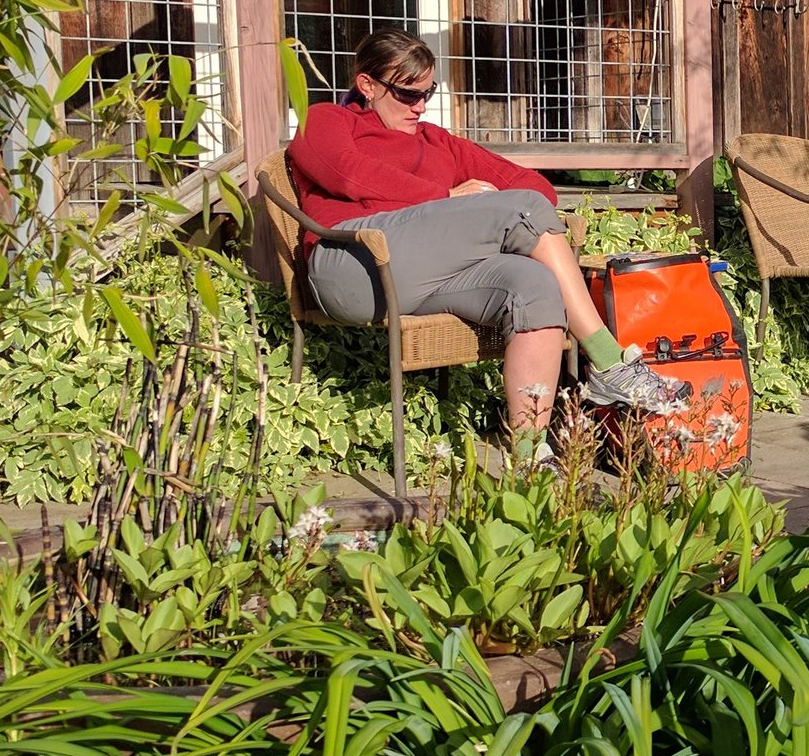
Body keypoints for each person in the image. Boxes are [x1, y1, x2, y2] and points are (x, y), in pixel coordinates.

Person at [287, 28, 684, 448]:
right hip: (352, 265)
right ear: (367, 85)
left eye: (429, 92)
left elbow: (532, 188)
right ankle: (607, 361)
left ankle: (530, 460)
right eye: (407, 94)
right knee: (523, 210)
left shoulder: (436, 142)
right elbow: (346, 172)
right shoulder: (328, 120)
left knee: (535, 287)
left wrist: (479, 207)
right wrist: (445, 198)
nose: (420, 106)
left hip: (423, 278)